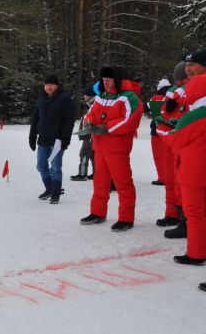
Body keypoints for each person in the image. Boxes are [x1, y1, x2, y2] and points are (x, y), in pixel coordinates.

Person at [80, 66, 143, 232]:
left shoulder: (129, 97)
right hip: (100, 147)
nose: (106, 83)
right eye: (104, 80)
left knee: (123, 184)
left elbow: (130, 120)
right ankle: (97, 212)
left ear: (117, 79)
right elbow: (91, 112)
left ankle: (126, 218)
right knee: (100, 182)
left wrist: (106, 128)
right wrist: (90, 122)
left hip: (117, 148)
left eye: (109, 79)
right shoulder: (101, 95)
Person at [168, 74, 206, 268]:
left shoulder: (192, 117)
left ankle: (196, 254)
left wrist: (163, 130)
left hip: (193, 171)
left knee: (194, 213)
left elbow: (176, 142)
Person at [28, 74, 75, 204]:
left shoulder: (65, 98)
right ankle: (49, 189)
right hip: (43, 138)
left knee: (55, 167)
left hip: (58, 140)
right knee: (41, 165)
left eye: (52, 84)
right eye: (47, 84)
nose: (49, 87)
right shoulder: (41, 97)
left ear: (56, 85)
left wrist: (66, 137)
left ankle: (55, 193)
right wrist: (32, 136)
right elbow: (36, 118)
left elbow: (69, 120)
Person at [155, 62, 188, 231]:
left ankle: (185, 218)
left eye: (179, 80)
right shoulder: (173, 92)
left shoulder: (193, 90)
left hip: (183, 142)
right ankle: (172, 213)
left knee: (183, 183)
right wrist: (165, 116)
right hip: (170, 141)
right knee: (170, 179)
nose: (177, 83)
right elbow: (163, 112)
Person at [149, 77, 171, 186]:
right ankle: (170, 177)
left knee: (159, 156)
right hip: (169, 131)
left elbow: (146, 108)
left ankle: (162, 178)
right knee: (169, 156)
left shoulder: (155, 98)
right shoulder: (172, 97)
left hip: (157, 132)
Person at [70, 85, 96, 181]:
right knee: (93, 154)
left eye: (85, 95)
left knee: (84, 153)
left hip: (89, 133)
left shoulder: (92, 104)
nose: (84, 97)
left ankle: (82, 174)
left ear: (90, 95)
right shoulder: (89, 104)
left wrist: (86, 131)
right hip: (89, 133)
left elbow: (90, 120)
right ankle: (96, 173)